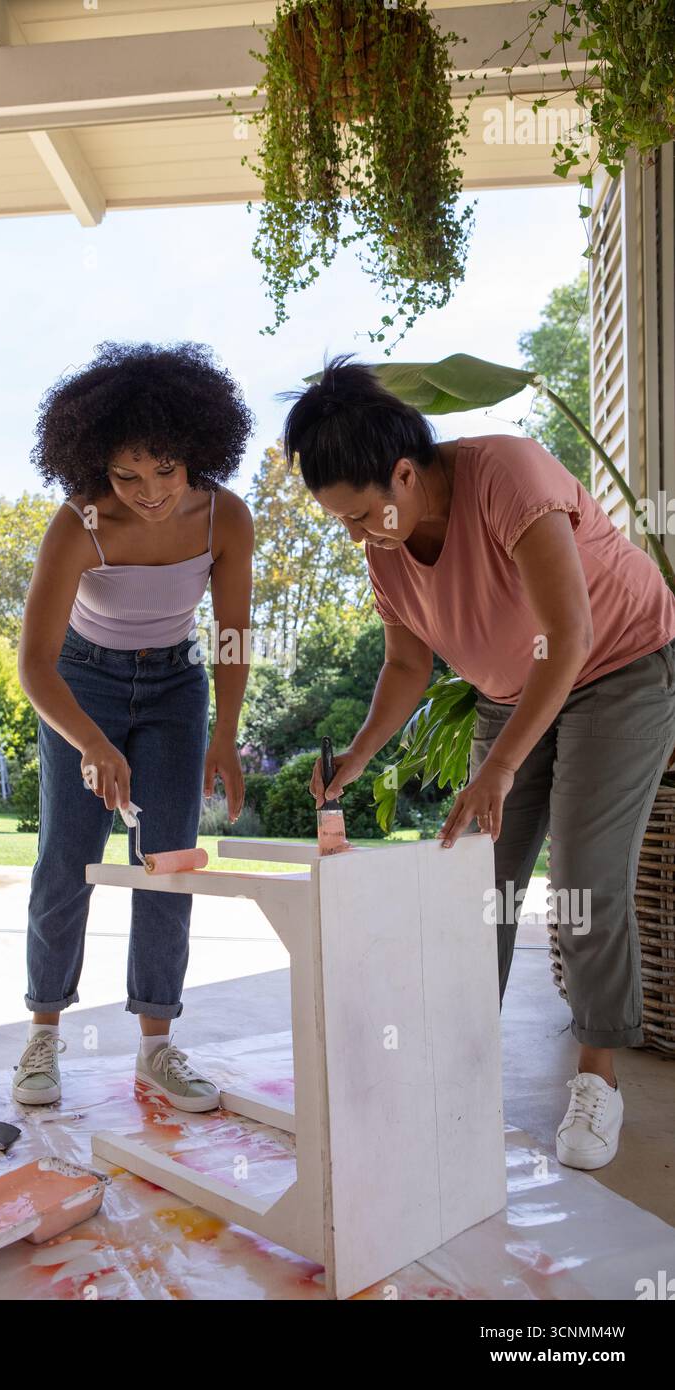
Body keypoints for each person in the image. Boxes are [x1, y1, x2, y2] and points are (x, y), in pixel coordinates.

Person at [285, 353, 675, 1171]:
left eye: (360, 516)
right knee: (479, 875)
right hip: (509, 689)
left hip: (620, 669)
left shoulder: (509, 475)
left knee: (582, 875)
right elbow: (405, 665)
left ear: (404, 473)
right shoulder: (385, 548)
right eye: (342, 523)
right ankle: (455, 1062)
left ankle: (599, 1078)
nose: (355, 537)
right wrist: (356, 756)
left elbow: (568, 637)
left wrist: (498, 767)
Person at [15, 341, 254, 1112]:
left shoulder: (226, 518)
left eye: (165, 470)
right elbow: (35, 666)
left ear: (196, 452)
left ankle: (157, 1047)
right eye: (126, 475)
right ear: (94, 469)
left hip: (176, 686)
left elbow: (231, 635)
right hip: (81, 680)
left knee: (168, 861)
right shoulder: (78, 523)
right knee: (68, 857)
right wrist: (91, 740)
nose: (148, 492)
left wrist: (224, 734)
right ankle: (44, 1039)